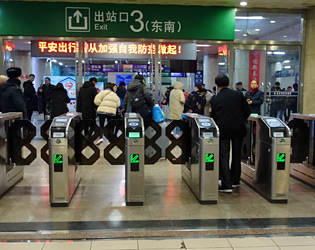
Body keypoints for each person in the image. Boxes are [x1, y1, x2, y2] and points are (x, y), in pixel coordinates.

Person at [210, 74, 251, 193]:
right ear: (228, 83)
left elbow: (213, 117)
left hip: (223, 130)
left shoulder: (216, 99)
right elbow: (247, 111)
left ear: (217, 85)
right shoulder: (238, 95)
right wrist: (240, 120)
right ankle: (235, 180)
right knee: (237, 155)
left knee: (224, 155)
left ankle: (226, 184)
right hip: (239, 129)